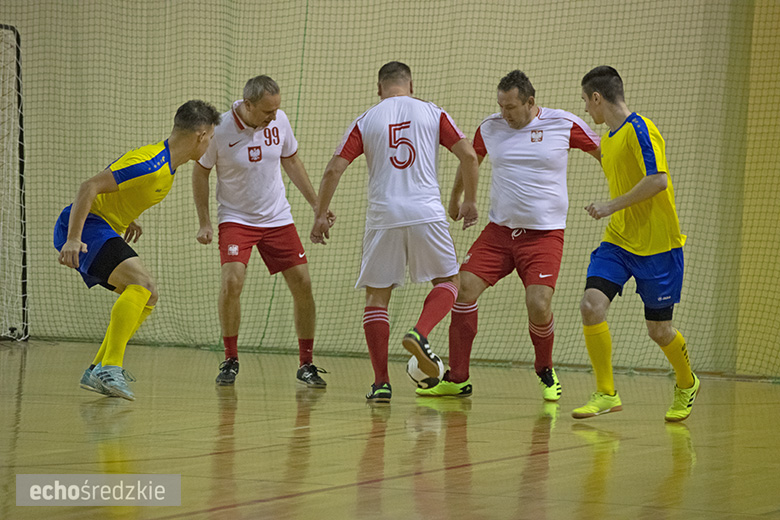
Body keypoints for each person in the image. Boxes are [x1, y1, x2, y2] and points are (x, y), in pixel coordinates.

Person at [417, 70, 601, 401]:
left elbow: (605, 153)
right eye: (501, 106)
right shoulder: (490, 127)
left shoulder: (563, 123)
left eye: (511, 107)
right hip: (499, 232)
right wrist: (456, 199)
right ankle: (458, 378)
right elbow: (469, 160)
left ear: (531, 102)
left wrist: (621, 198)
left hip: (544, 236)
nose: (505, 114)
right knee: (463, 290)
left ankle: (544, 368)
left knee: (538, 304)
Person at [310, 61, 480, 403]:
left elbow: (333, 170)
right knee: (449, 283)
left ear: (379, 88)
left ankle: (381, 384)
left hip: (383, 216)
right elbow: (470, 156)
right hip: (426, 212)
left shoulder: (367, 119)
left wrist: (319, 215)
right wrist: (468, 201)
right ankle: (420, 332)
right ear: (411, 85)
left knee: (376, 299)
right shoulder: (433, 113)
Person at [55, 100, 222, 401]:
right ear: (201, 134)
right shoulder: (149, 163)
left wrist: (126, 215)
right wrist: (73, 238)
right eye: (211, 136)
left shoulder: (166, 166)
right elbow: (88, 186)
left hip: (102, 225)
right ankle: (110, 368)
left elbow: (113, 181)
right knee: (141, 283)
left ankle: (98, 368)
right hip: (86, 226)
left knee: (148, 295)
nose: (210, 143)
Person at [572, 66, 699, 422]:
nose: (586, 109)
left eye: (586, 101)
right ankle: (606, 392)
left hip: (658, 246)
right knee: (591, 306)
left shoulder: (640, 129)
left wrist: (609, 205)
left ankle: (687, 383)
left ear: (597, 97)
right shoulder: (608, 140)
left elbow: (657, 180)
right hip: (618, 242)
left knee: (659, 331)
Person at [193, 75, 333, 388]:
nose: (274, 117)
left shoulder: (279, 121)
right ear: (248, 104)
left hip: (277, 217)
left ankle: (306, 363)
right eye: (267, 111)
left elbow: (292, 162)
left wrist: (317, 206)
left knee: (303, 283)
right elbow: (200, 173)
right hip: (236, 218)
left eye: (276, 110)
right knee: (232, 282)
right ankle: (230, 358)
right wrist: (205, 221)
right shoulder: (220, 130)